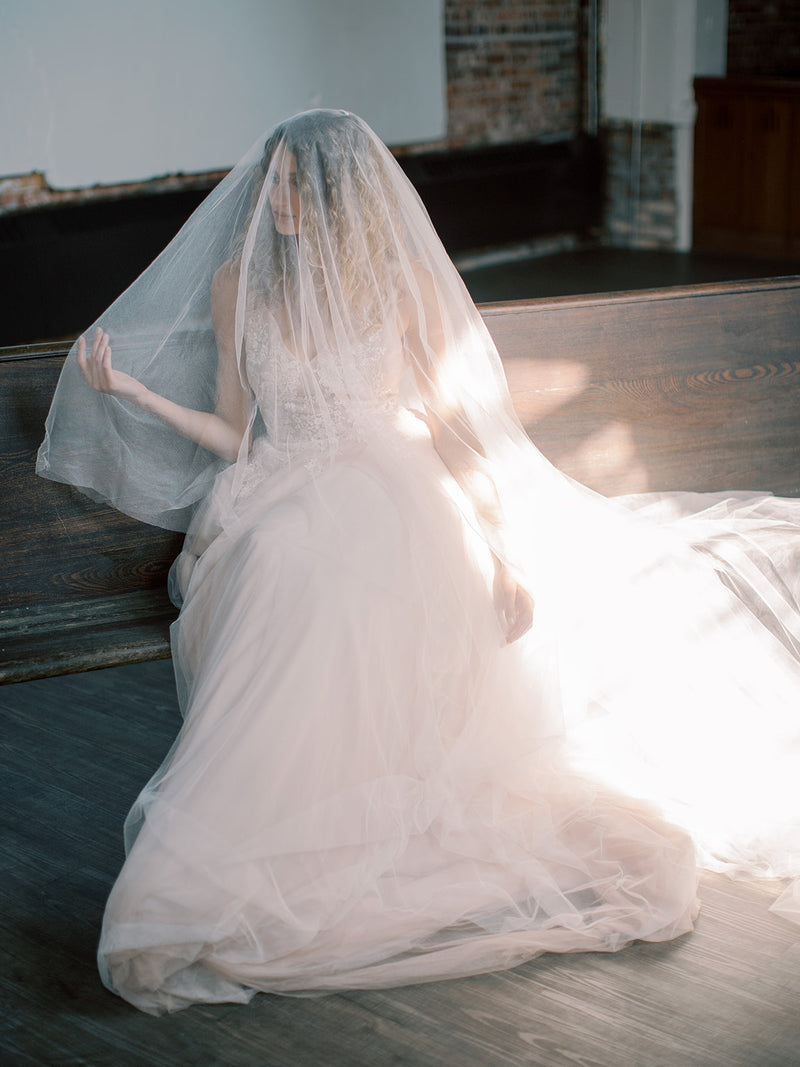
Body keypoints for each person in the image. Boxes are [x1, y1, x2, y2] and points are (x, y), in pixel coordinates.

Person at [38, 110, 800, 1016]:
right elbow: (238, 434)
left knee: (348, 582)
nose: (274, 199)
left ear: (334, 195)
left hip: (392, 487)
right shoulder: (241, 283)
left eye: (293, 184)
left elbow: (451, 428)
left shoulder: (392, 283)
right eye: (272, 180)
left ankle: (361, 824)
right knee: (283, 568)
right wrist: (132, 392)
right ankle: (270, 837)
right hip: (282, 491)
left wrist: (502, 550)